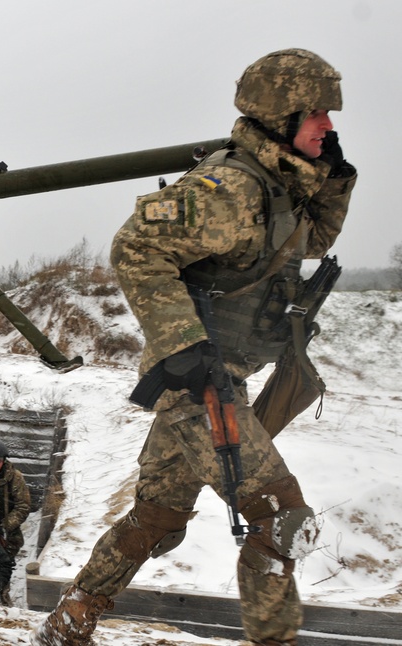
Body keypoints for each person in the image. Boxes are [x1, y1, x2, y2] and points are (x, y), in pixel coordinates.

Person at [31, 49, 356, 646]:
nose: (328, 126)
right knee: (280, 517)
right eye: (317, 115)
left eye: (330, 117)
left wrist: (331, 178)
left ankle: (69, 619)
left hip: (222, 375)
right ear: (281, 116)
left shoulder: (278, 189)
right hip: (196, 381)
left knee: (157, 518)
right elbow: (136, 248)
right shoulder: (230, 187)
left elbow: (310, 243)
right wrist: (183, 344)